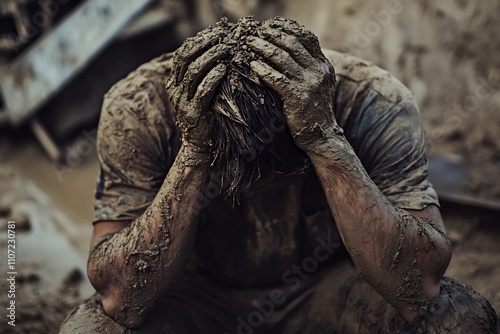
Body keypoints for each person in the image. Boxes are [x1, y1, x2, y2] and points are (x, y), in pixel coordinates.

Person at [60, 17, 497, 333]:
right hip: (196, 296)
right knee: (89, 330)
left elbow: (420, 284)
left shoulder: (374, 102)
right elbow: (119, 297)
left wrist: (324, 139)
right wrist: (195, 154)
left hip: (331, 289)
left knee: (460, 320)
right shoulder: (139, 109)